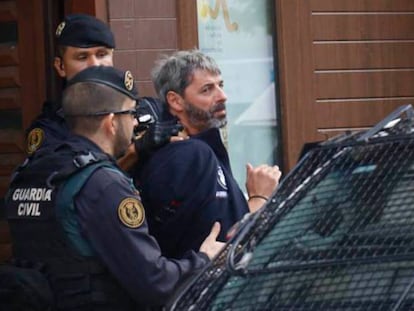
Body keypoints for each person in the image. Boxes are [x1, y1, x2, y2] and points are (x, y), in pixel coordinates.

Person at [6, 66, 224, 310]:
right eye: (131, 114)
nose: (135, 123)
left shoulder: (30, 173)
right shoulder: (102, 183)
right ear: (111, 122)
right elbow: (155, 283)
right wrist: (206, 259)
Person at [133, 49, 282, 259]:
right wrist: (259, 198)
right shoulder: (187, 157)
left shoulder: (203, 146)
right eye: (207, 90)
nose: (222, 96)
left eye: (220, 85)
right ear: (176, 101)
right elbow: (222, 241)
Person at [25, 13, 181, 170]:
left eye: (102, 54)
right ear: (61, 66)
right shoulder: (50, 129)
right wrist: (133, 153)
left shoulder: (149, 109)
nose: (94, 65)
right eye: (82, 57)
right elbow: (64, 185)